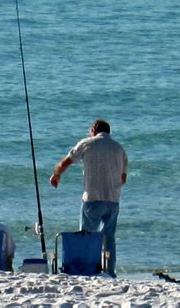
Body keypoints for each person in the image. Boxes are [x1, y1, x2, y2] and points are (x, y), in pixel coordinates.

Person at [49, 119, 128, 278]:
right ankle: (110, 271)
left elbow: (65, 162)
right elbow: (123, 177)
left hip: (93, 197)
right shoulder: (119, 148)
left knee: (87, 235)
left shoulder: (87, 143)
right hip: (113, 199)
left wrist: (56, 175)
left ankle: (87, 268)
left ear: (93, 130)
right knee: (109, 237)